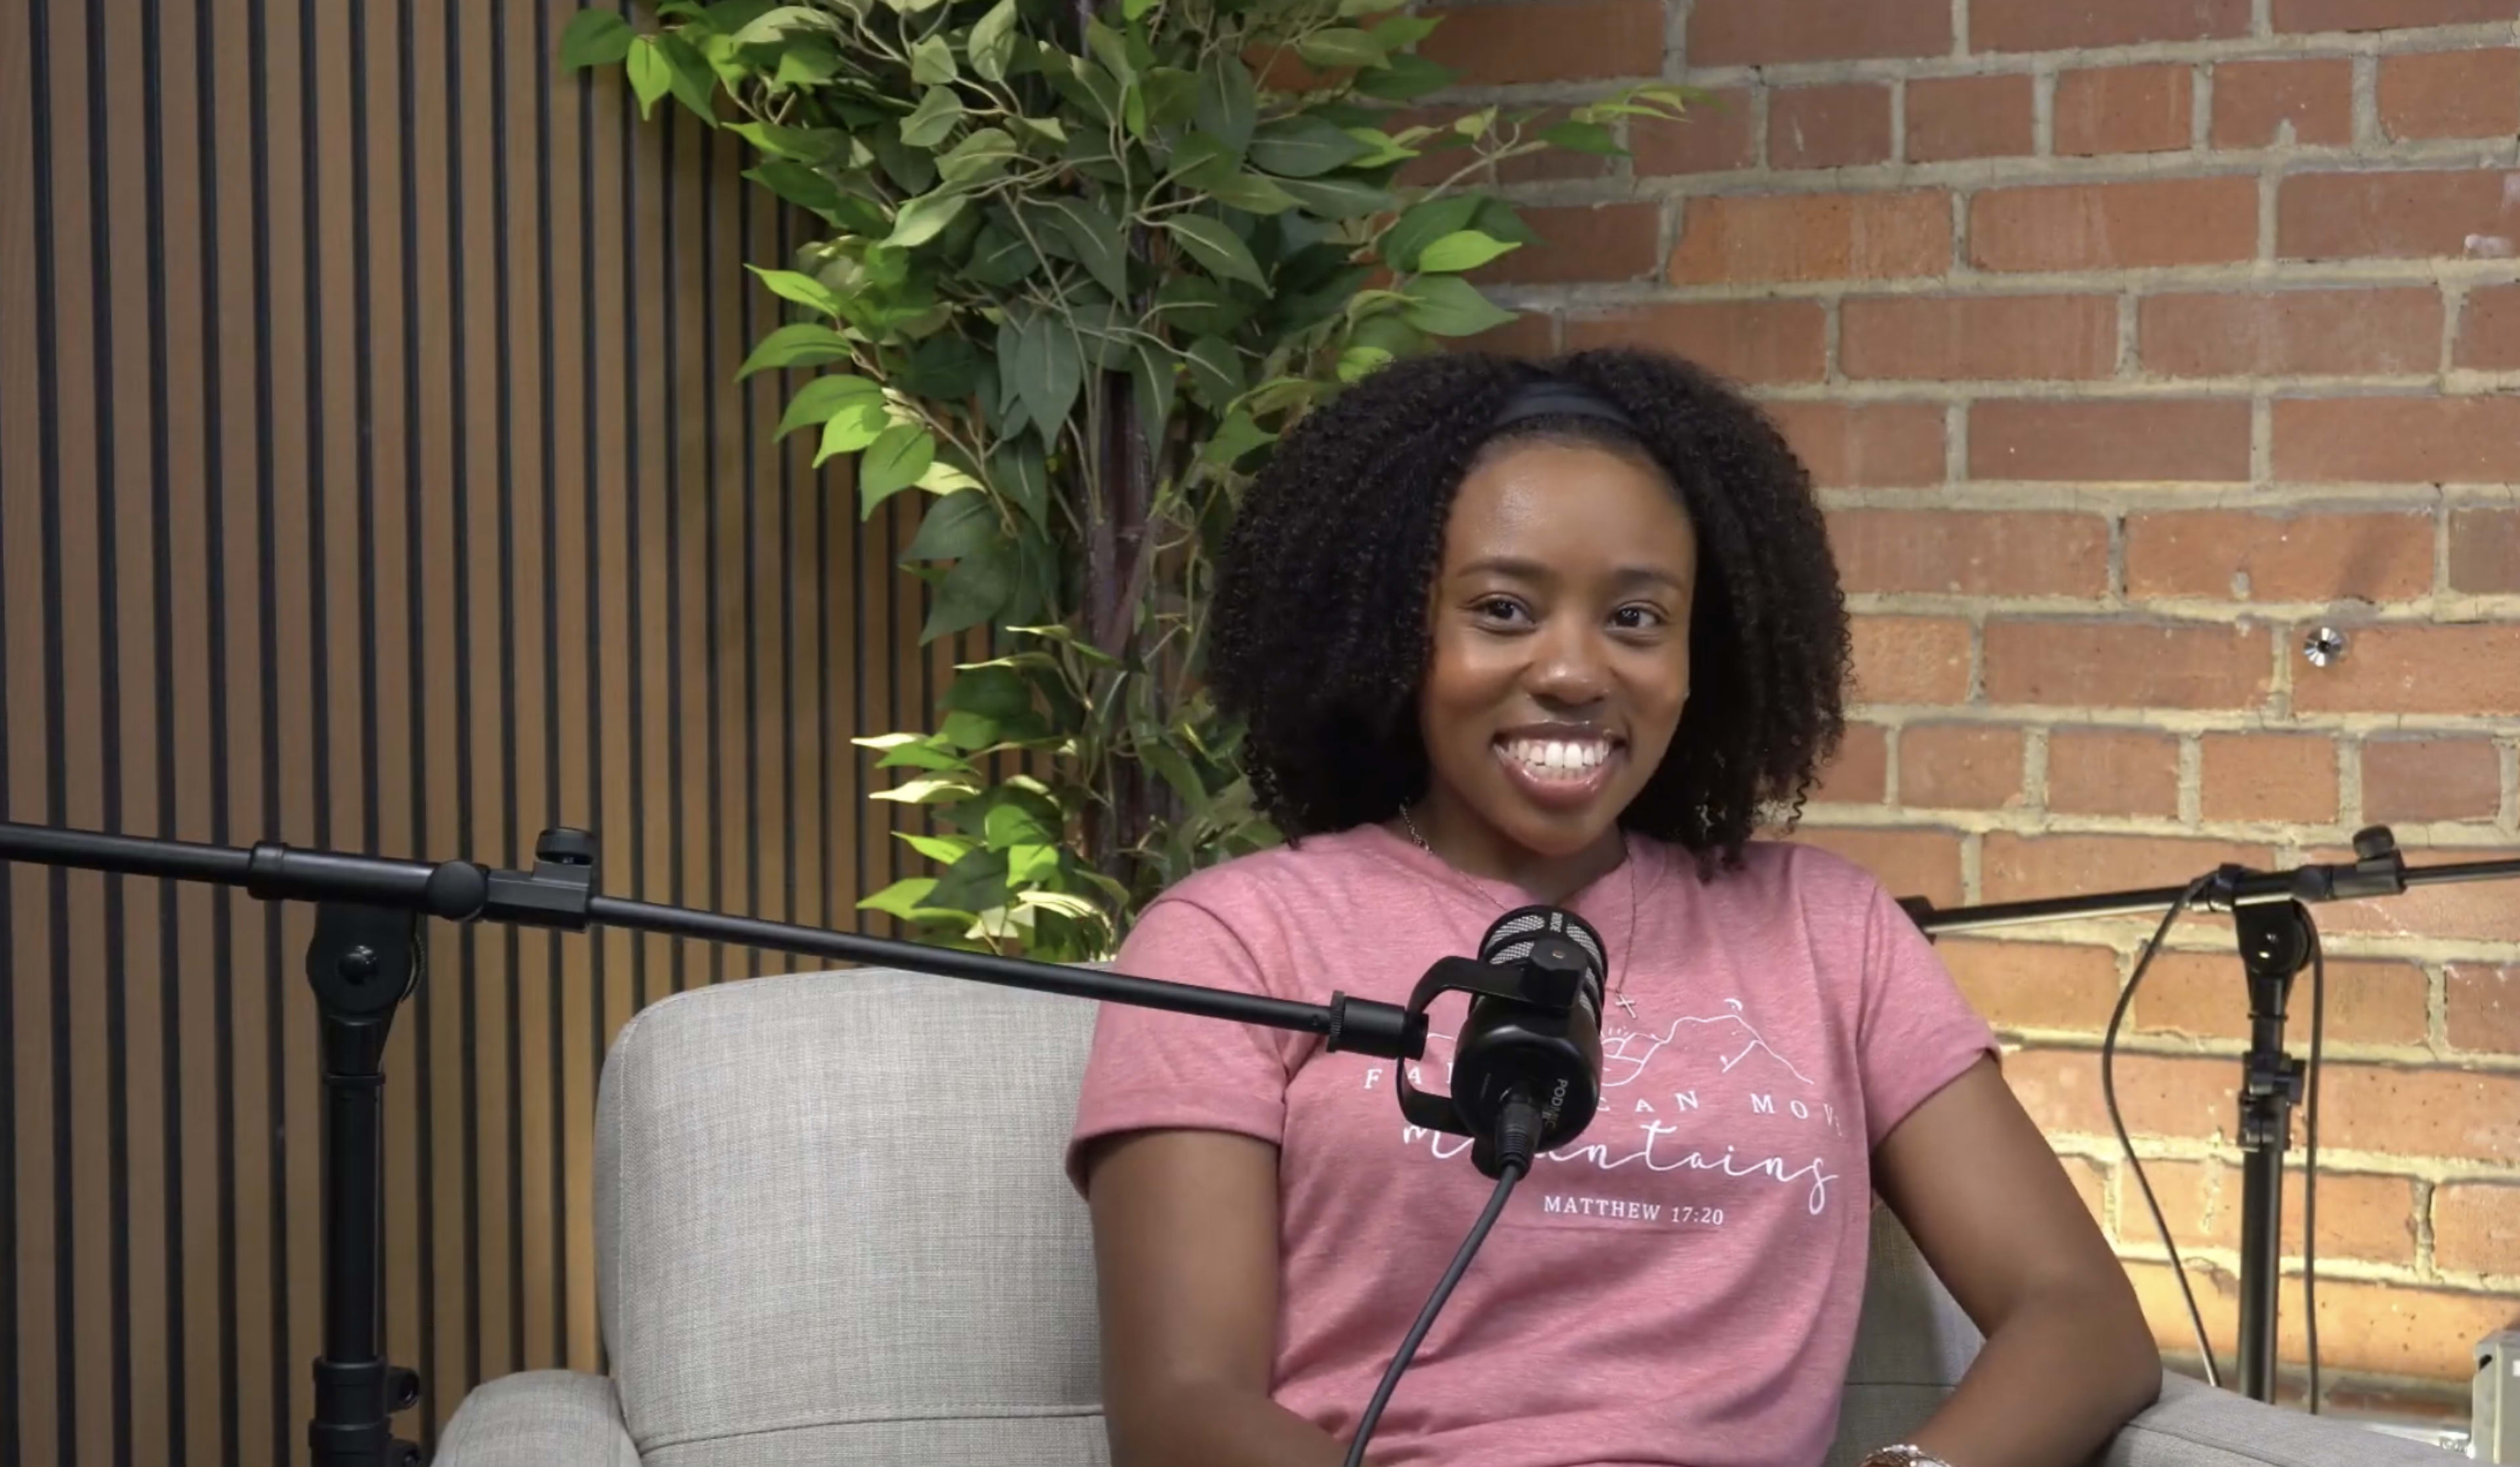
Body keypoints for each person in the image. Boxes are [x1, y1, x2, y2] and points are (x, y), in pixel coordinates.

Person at [1061, 346, 2161, 1467]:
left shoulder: (1832, 933)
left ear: (1702, 656)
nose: (1577, 670)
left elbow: (2080, 1318)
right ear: (1397, 633)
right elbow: (1182, 1411)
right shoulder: (1238, 940)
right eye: (1502, 609)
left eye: (1637, 618)